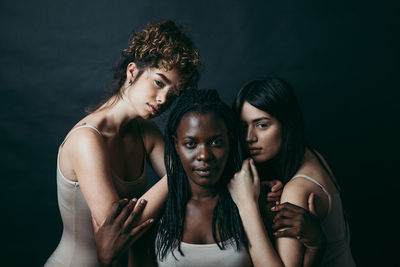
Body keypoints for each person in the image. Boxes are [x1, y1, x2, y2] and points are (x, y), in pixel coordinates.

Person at [45, 20, 201, 267]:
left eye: (172, 94)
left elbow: (197, 185)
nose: (162, 100)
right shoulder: (86, 139)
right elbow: (118, 232)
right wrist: (181, 170)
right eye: (159, 83)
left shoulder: (145, 132)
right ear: (132, 72)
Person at [231, 78, 356, 266]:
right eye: (243, 127)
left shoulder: (297, 190)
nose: (249, 137)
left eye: (262, 125)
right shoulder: (312, 156)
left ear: (286, 124)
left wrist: (246, 204)